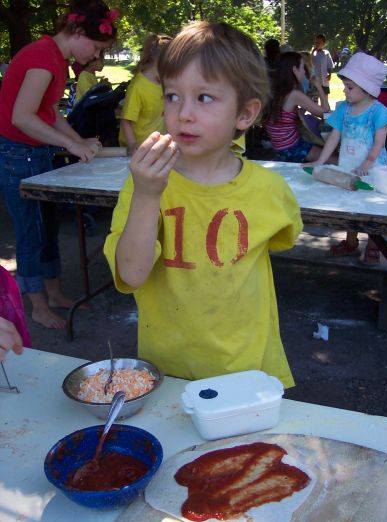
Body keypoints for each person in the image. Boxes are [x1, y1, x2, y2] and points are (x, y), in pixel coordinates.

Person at [104, 21, 303, 388]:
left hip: (247, 369)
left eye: (204, 97)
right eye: (172, 96)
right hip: (168, 370)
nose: (184, 113)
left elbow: (281, 237)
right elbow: (131, 275)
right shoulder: (145, 184)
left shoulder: (270, 190)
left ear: (245, 114)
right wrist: (148, 195)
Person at [0, 0, 118, 328]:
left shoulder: (55, 58)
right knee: (31, 233)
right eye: (96, 47)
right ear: (77, 32)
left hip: (34, 152)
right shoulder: (42, 58)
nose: (95, 56)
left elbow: (49, 113)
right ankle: (37, 306)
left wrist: (79, 141)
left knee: (47, 228)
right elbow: (22, 117)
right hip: (16, 154)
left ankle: (54, 294)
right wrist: (71, 144)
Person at [305, 53, 387, 265]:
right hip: (348, 166)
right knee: (351, 207)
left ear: (367, 88)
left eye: (350, 87)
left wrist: (368, 163)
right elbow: (334, 137)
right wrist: (321, 161)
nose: (344, 90)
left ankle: (374, 245)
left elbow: (379, 142)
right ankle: (351, 242)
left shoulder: (378, 112)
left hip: (372, 169)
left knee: (371, 209)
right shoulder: (343, 109)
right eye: (345, 86)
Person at [264, 51, 335, 163]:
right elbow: (326, 113)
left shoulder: (275, 91)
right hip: (293, 148)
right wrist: (318, 86)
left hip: (279, 148)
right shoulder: (294, 95)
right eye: (302, 67)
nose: (304, 71)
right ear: (294, 70)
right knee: (337, 159)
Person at [119, 33, 172, 155]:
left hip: (157, 146)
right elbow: (126, 121)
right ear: (161, 62)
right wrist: (133, 145)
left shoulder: (164, 84)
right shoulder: (138, 86)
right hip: (139, 149)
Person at [311, 34, 334, 103]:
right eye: (316, 42)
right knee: (314, 99)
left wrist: (329, 74)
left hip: (324, 80)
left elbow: (329, 65)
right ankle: (315, 108)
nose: (317, 44)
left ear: (324, 44)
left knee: (324, 99)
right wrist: (312, 52)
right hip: (315, 80)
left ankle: (324, 108)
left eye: (319, 42)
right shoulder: (313, 54)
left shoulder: (326, 53)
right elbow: (309, 63)